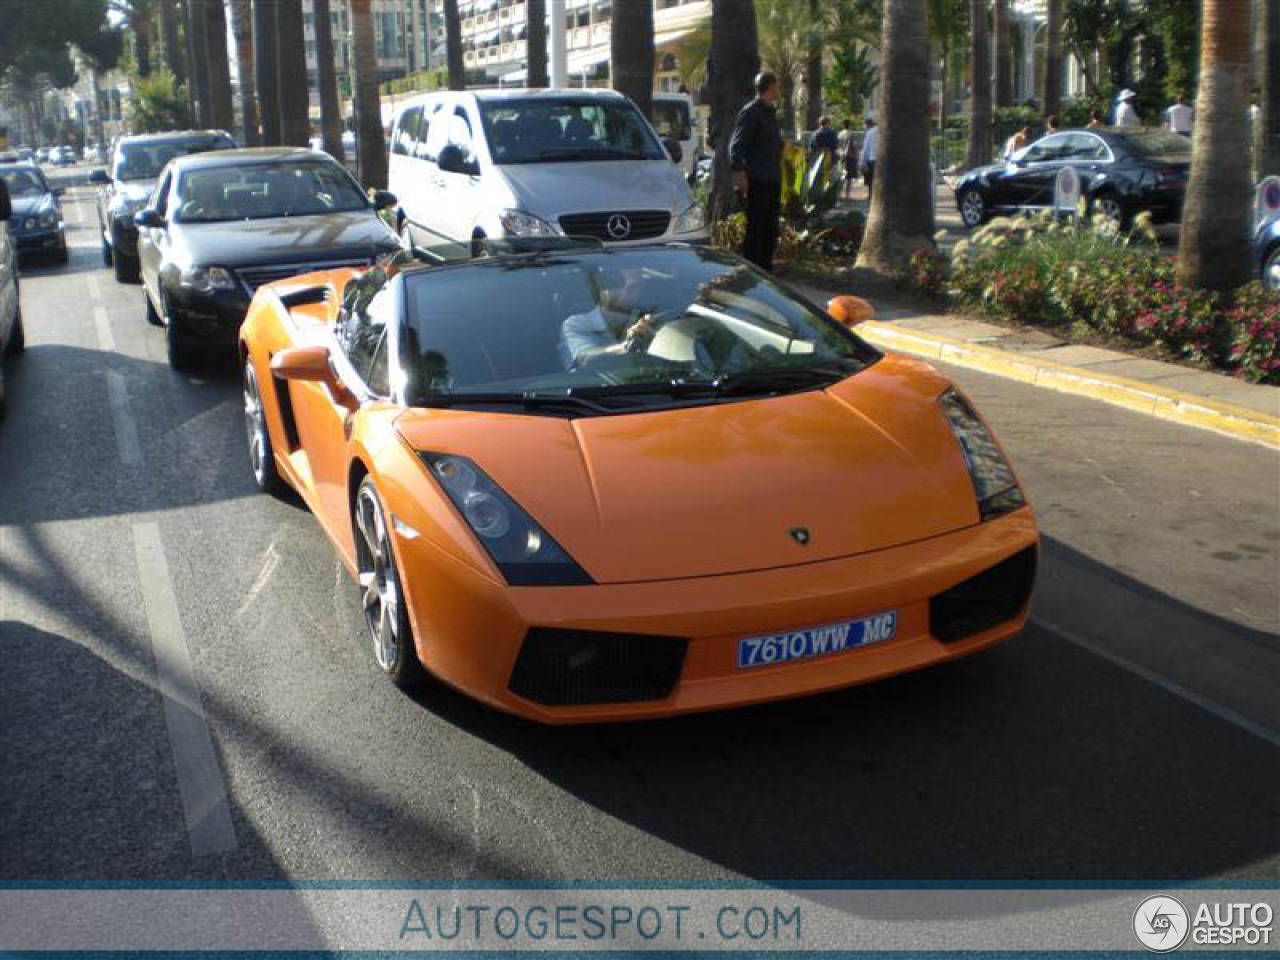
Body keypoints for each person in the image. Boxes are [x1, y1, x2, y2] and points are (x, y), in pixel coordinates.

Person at [729, 72, 784, 272]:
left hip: (772, 177)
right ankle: (753, 270)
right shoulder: (751, 112)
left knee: (771, 227)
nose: (778, 90)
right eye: (776, 86)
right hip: (757, 178)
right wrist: (740, 173)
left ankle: (766, 270)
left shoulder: (770, 112)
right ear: (769, 87)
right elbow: (737, 146)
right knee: (756, 228)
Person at [558, 268, 657, 370]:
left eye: (633, 287)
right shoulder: (576, 324)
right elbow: (585, 358)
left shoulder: (648, 322)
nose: (625, 294)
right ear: (601, 289)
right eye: (616, 285)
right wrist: (628, 345)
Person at [859, 116, 878, 195]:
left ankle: (871, 195)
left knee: (871, 180)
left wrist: (862, 162)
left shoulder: (870, 132)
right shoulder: (882, 130)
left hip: (872, 158)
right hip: (881, 158)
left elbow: (865, 148)